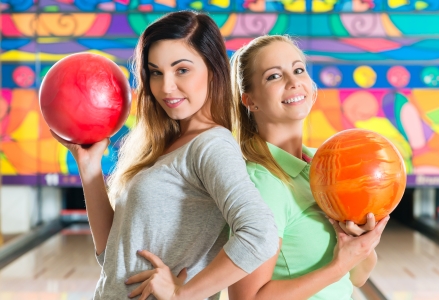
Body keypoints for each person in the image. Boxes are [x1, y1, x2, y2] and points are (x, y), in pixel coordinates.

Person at [51, 12, 279, 300]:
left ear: (213, 69)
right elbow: (112, 256)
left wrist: (181, 294)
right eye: (156, 72)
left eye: (181, 70)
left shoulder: (210, 145)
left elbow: (260, 234)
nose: (166, 87)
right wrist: (89, 168)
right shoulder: (166, 147)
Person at [228, 35, 390, 299]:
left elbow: (358, 277)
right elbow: (247, 297)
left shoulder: (324, 163)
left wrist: (360, 242)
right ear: (250, 100)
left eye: (298, 70)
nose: (293, 82)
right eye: (273, 76)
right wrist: (338, 266)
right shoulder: (262, 183)